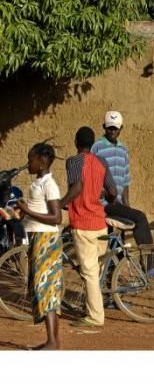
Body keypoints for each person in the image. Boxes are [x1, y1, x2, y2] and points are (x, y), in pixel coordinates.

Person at [60, 127, 117, 328]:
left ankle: (95, 317)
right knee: (96, 271)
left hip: (83, 224)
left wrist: (58, 204)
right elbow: (113, 192)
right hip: (100, 224)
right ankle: (92, 307)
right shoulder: (101, 162)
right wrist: (98, 194)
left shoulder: (73, 161)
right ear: (93, 143)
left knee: (89, 274)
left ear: (76, 142)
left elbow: (76, 188)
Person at [91, 112, 154, 274]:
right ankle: (150, 267)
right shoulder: (97, 147)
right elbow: (91, 176)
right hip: (106, 204)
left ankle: (112, 288)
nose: (112, 131)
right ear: (104, 128)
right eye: (109, 128)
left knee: (117, 246)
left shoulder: (123, 149)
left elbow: (125, 181)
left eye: (115, 128)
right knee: (141, 217)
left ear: (121, 129)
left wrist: (127, 207)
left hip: (118, 204)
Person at [15, 143, 63, 350]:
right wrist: (22, 212)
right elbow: (37, 210)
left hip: (47, 240)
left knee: (46, 288)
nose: (28, 164)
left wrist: (28, 210)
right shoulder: (39, 183)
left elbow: (56, 217)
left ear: (42, 161)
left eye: (31, 159)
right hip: (37, 237)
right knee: (39, 287)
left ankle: (53, 341)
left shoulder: (49, 184)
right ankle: (50, 340)